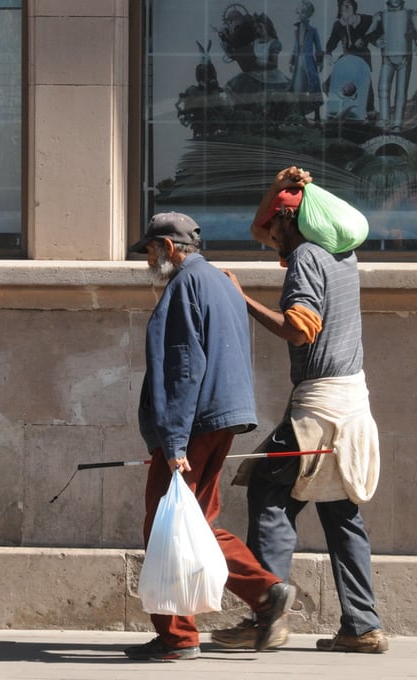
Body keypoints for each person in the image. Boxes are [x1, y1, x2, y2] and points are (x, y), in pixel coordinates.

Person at [213, 167, 388, 654]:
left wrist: (239, 297)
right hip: (352, 408)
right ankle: (362, 626)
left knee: (269, 495)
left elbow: (299, 329)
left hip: (317, 410)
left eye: (276, 227)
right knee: (341, 512)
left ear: (292, 221)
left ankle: (266, 614)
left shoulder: (307, 257)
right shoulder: (342, 255)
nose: (268, 239)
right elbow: (260, 227)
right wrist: (275, 186)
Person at [123, 212, 296, 662]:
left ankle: (178, 637)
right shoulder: (220, 282)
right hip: (222, 416)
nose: (148, 260)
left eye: (150, 250)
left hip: (194, 422)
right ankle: (264, 592)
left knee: (165, 527)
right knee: (196, 523)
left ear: (169, 247)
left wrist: (174, 442)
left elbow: (183, 368)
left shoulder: (183, 286)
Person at [369, 0, 417, 130]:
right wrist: (376, 41)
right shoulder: (380, 15)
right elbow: (369, 33)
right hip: (387, 59)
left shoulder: (412, 14)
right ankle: (384, 121)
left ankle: (397, 123)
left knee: (401, 92)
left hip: (404, 58)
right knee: (382, 89)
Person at [324, 0, 378, 116]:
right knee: (328, 85)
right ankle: (341, 110)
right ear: (340, 8)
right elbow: (332, 41)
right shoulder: (338, 25)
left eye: (349, 4)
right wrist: (328, 52)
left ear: (354, 6)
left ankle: (370, 113)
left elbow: (377, 30)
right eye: (343, 5)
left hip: (362, 57)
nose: (346, 6)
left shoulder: (365, 20)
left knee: (365, 84)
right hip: (346, 58)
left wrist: (365, 40)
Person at [289, 0, 325, 124]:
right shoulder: (296, 29)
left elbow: (319, 47)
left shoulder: (313, 30)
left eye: (304, 12)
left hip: (309, 61)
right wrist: (291, 62)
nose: (301, 14)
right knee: (299, 88)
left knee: (314, 86)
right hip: (299, 62)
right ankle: (301, 115)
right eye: (300, 12)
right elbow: (295, 47)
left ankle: (317, 115)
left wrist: (320, 62)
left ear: (309, 14)